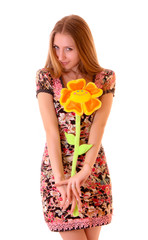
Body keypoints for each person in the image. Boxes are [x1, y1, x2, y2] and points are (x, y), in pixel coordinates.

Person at [36, 15, 116, 240]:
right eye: (56, 47)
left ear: (84, 46)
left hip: (91, 170)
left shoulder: (104, 79)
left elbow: (98, 128)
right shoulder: (47, 78)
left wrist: (86, 170)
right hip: (58, 170)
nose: (60, 56)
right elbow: (52, 132)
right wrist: (60, 181)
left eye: (68, 49)